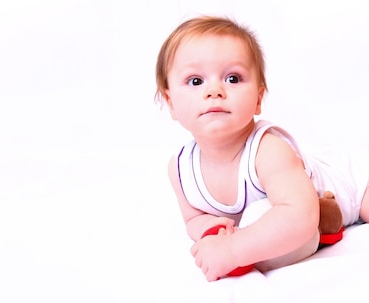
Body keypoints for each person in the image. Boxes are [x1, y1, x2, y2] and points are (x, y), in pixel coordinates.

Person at [154, 15, 369, 282]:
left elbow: (300, 215)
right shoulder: (180, 169)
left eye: (233, 78)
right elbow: (194, 219)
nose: (214, 90)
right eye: (195, 81)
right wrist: (212, 232)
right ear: (170, 102)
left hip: (350, 183)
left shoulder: (268, 150)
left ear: (257, 99)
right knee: (258, 218)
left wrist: (233, 250)